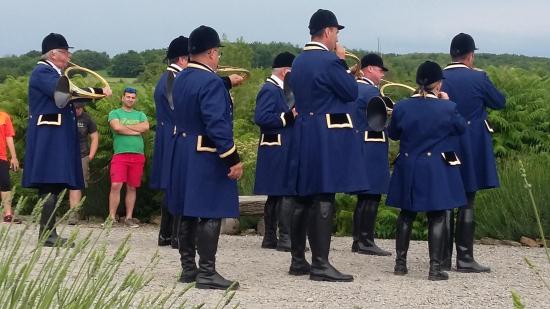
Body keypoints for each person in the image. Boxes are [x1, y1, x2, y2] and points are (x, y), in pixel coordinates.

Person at [287, 9, 370, 282]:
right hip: (324, 134)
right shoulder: (330, 61)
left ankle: (298, 260)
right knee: (324, 195)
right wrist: (342, 62)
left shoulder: (298, 61)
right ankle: (321, 264)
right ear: (327, 32)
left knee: (302, 197)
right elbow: (350, 91)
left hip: (303, 131)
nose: (337, 38)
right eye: (336, 32)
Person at [167, 25, 243, 290]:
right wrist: (232, 158)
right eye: (217, 53)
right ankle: (208, 272)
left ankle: (189, 268)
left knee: (188, 211)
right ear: (211, 53)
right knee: (211, 210)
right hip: (206, 153)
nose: (218, 58)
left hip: (183, 151)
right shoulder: (210, 81)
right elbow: (217, 124)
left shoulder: (182, 78)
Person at [23, 33, 111, 246]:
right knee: (49, 182)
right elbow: (68, 92)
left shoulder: (54, 72)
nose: (69, 55)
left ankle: (49, 232)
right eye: (65, 52)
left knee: (54, 184)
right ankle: (47, 235)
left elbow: (70, 94)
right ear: (53, 54)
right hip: (49, 136)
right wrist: (98, 91)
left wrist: (94, 94)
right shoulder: (42, 71)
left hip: (56, 135)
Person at [387, 61, 467, 281]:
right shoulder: (447, 108)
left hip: (408, 164)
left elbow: (393, 133)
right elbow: (461, 128)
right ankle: (434, 268)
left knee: (406, 214)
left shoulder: (402, 106)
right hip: (435, 168)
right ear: (438, 83)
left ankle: (400, 264)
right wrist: (448, 102)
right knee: (437, 215)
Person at [441, 33, 505, 273]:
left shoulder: (440, 77)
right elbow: (499, 102)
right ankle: (465, 258)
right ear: (469, 55)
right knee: (468, 199)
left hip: (445, 144)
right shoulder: (479, 77)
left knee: (446, 200)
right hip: (472, 145)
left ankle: (442, 257)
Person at [254, 51, 296, 252]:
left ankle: (270, 237)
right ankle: (285, 237)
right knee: (284, 191)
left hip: (279, 146)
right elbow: (261, 117)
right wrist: (288, 117)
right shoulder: (270, 89)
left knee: (276, 194)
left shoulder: (279, 89)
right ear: (285, 71)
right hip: (276, 146)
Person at [151, 36, 190, 248]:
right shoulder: (176, 80)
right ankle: (177, 235)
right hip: (176, 135)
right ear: (183, 59)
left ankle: (166, 234)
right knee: (178, 185)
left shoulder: (166, 78)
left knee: (170, 186)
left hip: (166, 135)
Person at [351, 53, 391, 256]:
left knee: (364, 196)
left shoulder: (356, 88)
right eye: (379, 69)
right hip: (372, 145)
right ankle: (366, 240)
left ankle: (359, 239)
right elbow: (384, 119)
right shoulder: (370, 92)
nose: (382, 74)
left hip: (361, 144)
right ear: (368, 69)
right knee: (372, 195)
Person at [108, 87, 149, 228]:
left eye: (133, 97)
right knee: (116, 185)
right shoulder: (115, 113)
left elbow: (145, 127)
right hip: (120, 155)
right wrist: (135, 131)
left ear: (135, 99)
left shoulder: (140, 114)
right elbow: (117, 128)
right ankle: (111, 218)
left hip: (138, 155)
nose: (130, 99)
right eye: (128, 97)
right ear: (122, 98)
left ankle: (129, 217)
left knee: (132, 187)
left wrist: (126, 128)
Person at [68, 101, 99, 225]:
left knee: (76, 185)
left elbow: (95, 137)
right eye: (76, 108)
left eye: (80, 108)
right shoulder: (67, 116)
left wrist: (90, 155)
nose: (78, 110)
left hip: (82, 155)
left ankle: (73, 214)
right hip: (66, 155)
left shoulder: (87, 119)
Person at [0, 111, 20, 224]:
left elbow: (9, 137)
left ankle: (8, 214)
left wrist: (14, 157)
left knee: (5, 184)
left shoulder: (4, 116)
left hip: (1, 156)